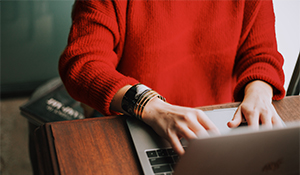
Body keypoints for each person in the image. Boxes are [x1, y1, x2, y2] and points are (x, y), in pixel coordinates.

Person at [59, 0, 285, 156]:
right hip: (136, 123)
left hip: (219, 129)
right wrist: (149, 105)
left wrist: (259, 91)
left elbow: (261, 54)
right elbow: (83, 63)